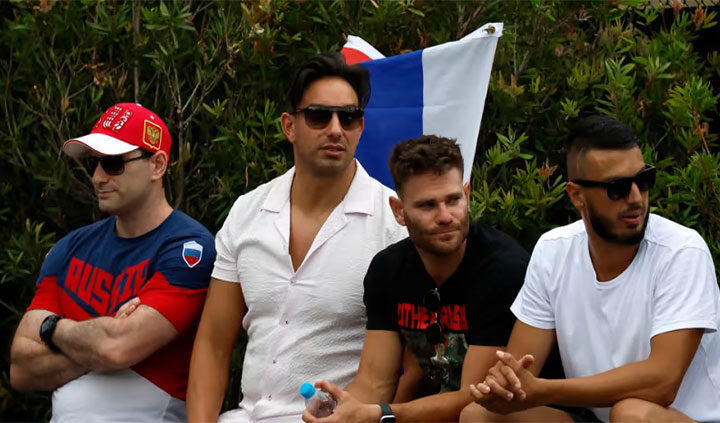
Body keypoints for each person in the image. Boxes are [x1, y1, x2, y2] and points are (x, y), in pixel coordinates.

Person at [186, 52, 407, 423]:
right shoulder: (247, 211)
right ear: (289, 126)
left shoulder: (393, 224)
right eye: (319, 115)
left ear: (361, 127)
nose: (336, 129)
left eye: (349, 117)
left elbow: (398, 373)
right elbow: (213, 344)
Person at [461, 115, 720, 422]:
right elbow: (520, 370)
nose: (636, 198)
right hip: (599, 418)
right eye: (617, 188)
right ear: (577, 196)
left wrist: (544, 391)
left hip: (682, 418)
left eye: (643, 181)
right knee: (479, 416)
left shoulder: (681, 251)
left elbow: (662, 383)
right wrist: (505, 384)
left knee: (631, 414)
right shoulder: (553, 251)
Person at [302, 135, 548, 423]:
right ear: (399, 211)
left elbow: (476, 397)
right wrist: (341, 410)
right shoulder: (387, 270)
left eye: (453, 200)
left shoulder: (502, 269)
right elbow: (374, 384)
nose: (445, 216)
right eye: (428, 205)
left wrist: (381, 414)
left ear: (467, 195)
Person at [9, 103, 216, 422]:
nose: (97, 177)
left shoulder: (189, 248)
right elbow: (21, 368)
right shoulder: (70, 248)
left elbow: (116, 348)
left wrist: (51, 327)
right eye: (94, 163)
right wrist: (100, 343)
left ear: (157, 165)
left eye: (113, 163)